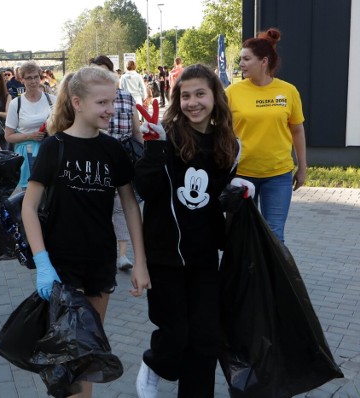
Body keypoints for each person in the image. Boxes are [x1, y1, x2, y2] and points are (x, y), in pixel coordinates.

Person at [21, 66, 150, 398]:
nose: (110, 109)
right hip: (61, 265)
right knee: (67, 355)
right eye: (102, 102)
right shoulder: (55, 147)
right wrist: (42, 262)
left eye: (113, 102)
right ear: (77, 102)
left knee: (87, 351)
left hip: (99, 263)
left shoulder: (112, 149)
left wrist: (140, 261)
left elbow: (131, 205)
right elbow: (29, 207)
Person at [133, 64, 253, 398]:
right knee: (176, 336)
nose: (193, 102)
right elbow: (146, 189)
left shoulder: (228, 144)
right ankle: (156, 363)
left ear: (215, 96)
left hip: (203, 258)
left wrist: (239, 188)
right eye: (185, 96)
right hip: (164, 255)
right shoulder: (166, 135)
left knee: (206, 340)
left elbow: (220, 192)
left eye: (200, 94)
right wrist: (154, 148)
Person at [226, 27, 307, 242]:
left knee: (274, 236)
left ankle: (272, 277)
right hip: (241, 174)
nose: (241, 63)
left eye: (246, 59)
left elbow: (297, 130)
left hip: (278, 176)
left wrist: (302, 168)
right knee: (239, 234)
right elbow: (219, 129)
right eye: (240, 59)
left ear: (264, 61)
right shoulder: (232, 93)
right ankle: (243, 276)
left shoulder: (288, 91)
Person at [89, 55, 143, 271]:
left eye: (103, 72)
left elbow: (136, 129)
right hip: (96, 157)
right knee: (98, 206)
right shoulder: (85, 99)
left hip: (123, 156)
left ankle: (121, 255)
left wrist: (141, 156)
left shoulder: (127, 97)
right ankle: (102, 251)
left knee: (122, 206)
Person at [4, 60, 57, 189]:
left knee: (51, 195)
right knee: (30, 197)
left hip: (51, 153)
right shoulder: (16, 104)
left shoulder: (52, 100)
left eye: (35, 77)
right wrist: (31, 136)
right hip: (28, 155)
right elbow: (8, 136)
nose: (33, 81)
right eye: (29, 78)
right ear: (22, 80)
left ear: (40, 77)